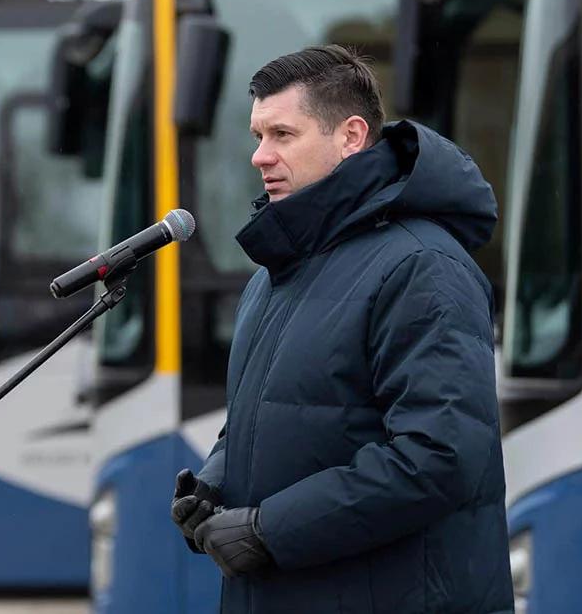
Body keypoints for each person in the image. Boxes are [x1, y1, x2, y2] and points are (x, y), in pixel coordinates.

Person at [171, 45, 514, 613]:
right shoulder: (276, 272)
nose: (260, 156)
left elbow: (438, 456)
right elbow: (263, 420)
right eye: (257, 135)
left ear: (351, 136)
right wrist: (213, 486)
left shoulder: (423, 267)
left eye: (282, 134)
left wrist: (268, 530)